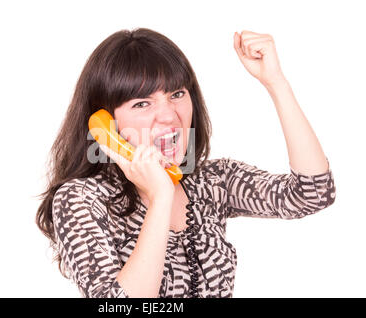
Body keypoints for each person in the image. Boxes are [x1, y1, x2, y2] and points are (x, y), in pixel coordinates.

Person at [36, 28, 336, 298]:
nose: (169, 115)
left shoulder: (211, 182)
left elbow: (313, 193)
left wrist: (276, 83)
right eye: (142, 103)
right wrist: (161, 196)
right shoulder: (81, 200)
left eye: (177, 94)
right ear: (105, 123)